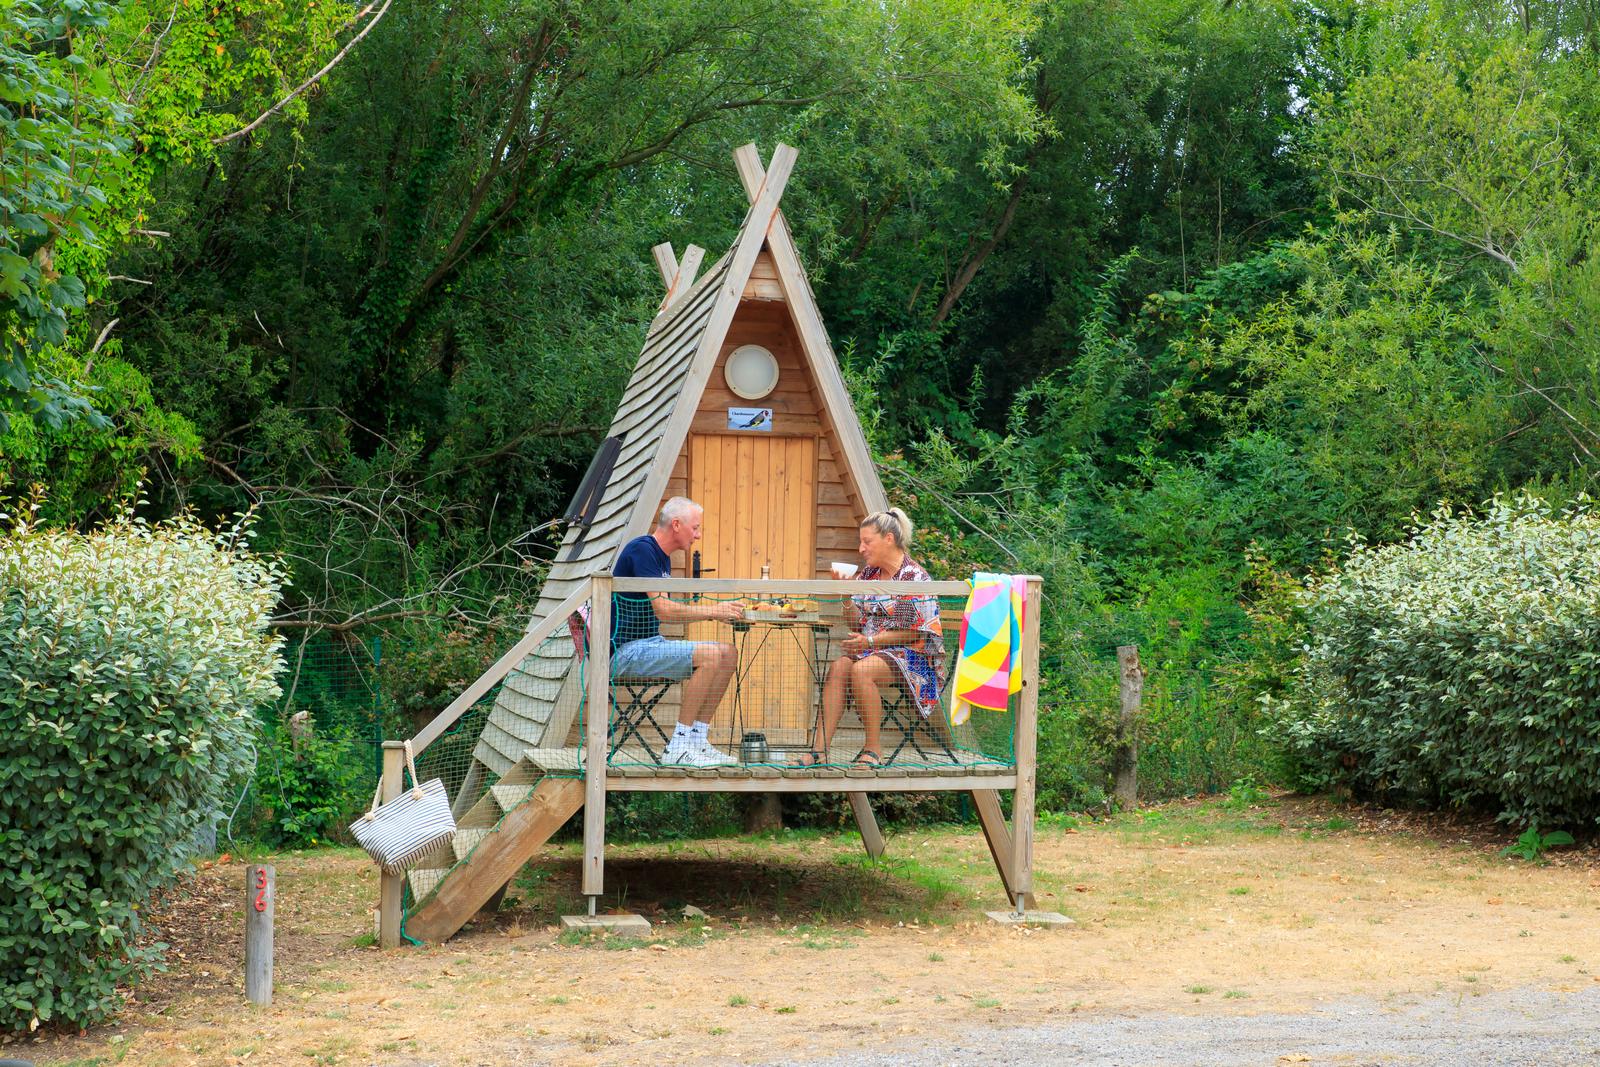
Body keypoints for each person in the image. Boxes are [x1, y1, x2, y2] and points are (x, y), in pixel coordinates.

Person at [797, 507, 944, 768]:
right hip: (874, 652)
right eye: (860, 542)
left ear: (889, 539)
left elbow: (915, 633)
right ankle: (819, 751)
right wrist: (845, 594)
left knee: (862, 670)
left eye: (867, 541)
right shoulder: (869, 574)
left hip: (914, 657)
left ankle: (873, 749)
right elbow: (857, 623)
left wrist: (871, 642)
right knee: (839, 666)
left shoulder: (914, 577)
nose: (861, 549)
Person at [612, 497, 745, 766]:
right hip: (623, 652)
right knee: (710, 655)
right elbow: (664, 610)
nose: (698, 535)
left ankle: (697, 740)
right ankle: (678, 747)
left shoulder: (662, 557)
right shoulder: (643, 551)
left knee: (728, 653)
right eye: (695, 528)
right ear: (676, 525)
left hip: (650, 644)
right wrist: (714, 611)